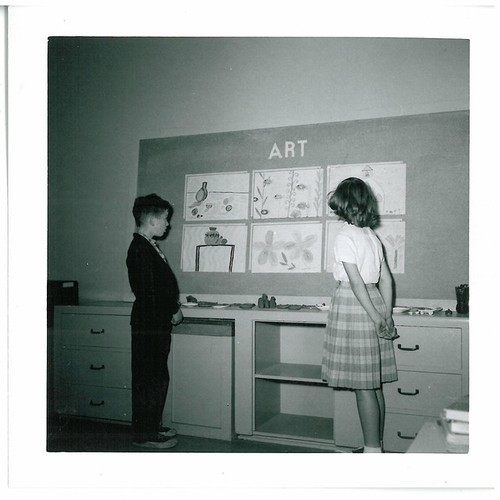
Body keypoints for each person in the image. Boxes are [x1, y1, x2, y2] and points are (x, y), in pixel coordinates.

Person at [321, 177, 398, 453]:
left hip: (354, 304)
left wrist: (378, 318)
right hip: (374, 299)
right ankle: (376, 446)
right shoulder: (371, 236)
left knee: (363, 385)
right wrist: (385, 314)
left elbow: (354, 283)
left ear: (344, 205)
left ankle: (371, 452)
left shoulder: (345, 235)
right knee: (373, 384)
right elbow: (386, 279)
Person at [126, 193, 184, 449]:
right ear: (151, 220)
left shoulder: (146, 245)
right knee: (150, 377)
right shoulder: (139, 248)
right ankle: (145, 433)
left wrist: (172, 306)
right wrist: (173, 308)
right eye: (165, 219)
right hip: (150, 324)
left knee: (154, 376)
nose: (167, 224)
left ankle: (150, 425)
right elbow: (151, 291)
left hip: (152, 323)